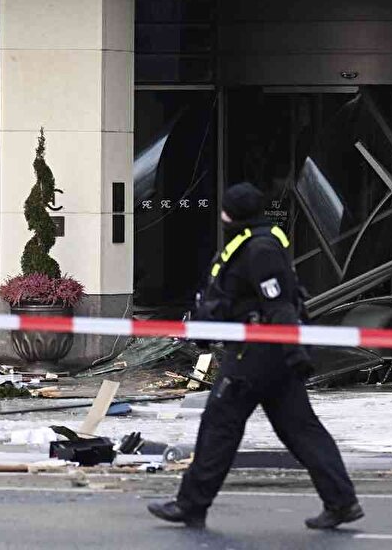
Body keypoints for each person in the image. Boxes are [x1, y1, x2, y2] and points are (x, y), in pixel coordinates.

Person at [147, 183, 363, 531]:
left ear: (233, 213)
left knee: (219, 426)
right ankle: (341, 502)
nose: (221, 217)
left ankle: (191, 505)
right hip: (269, 356)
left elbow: (279, 307)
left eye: (224, 210)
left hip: (256, 357)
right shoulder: (255, 241)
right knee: (302, 430)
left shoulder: (261, 249)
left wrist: (295, 353)